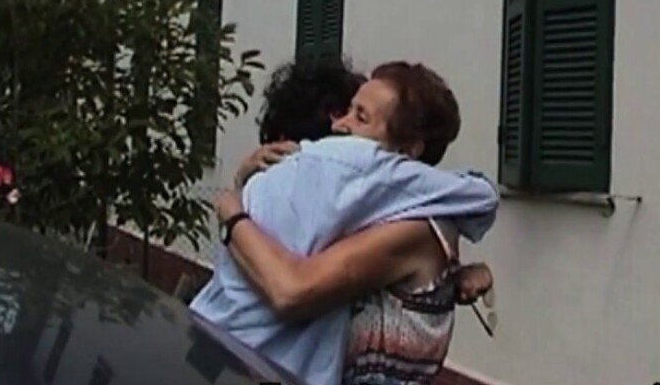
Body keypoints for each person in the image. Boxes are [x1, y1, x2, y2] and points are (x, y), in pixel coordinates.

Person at [188, 57, 498, 385]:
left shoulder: (414, 224)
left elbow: (291, 290)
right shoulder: (369, 208)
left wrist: (233, 213)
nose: (338, 125)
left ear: (409, 152)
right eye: (349, 109)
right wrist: (245, 183)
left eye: (360, 117)